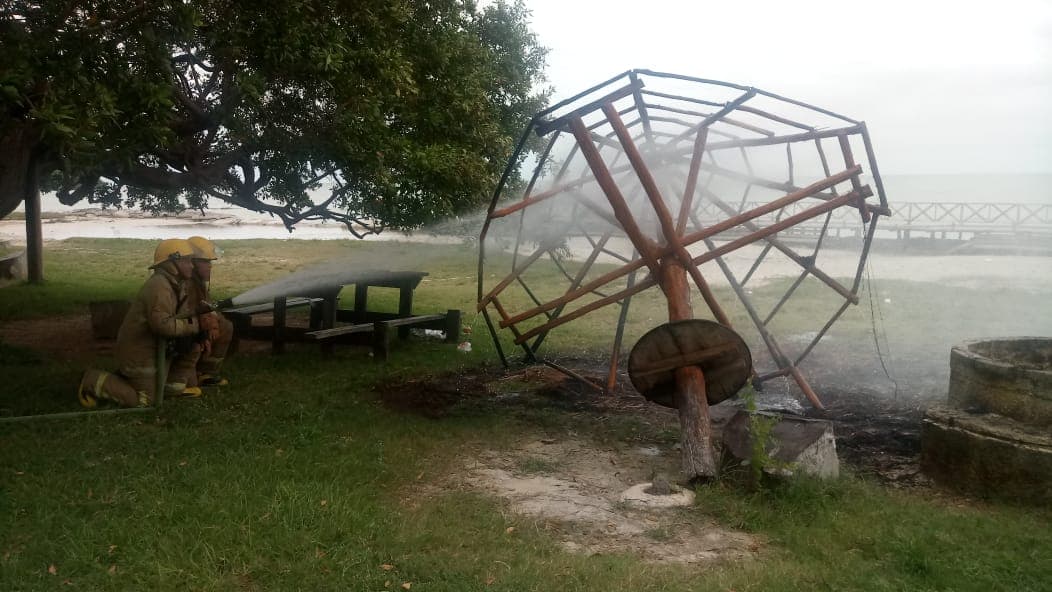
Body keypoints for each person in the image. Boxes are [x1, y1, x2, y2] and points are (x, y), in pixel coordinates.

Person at [77, 239, 218, 408]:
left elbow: (179, 316)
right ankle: (92, 380)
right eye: (187, 261)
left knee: (188, 374)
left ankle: (163, 387)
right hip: (140, 354)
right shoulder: (159, 287)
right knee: (146, 401)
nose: (192, 266)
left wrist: (200, 322)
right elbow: (162, 325)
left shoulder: (174, 284)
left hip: (156, 350)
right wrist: (197, 325)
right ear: (172, 263)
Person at [167, 236, 233, 392]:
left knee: (225, 325)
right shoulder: (185, 284)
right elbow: (184, 314)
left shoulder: (199, 283)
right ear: (193, 264)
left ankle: (206, 372)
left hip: (192, 329)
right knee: (191, 385)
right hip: (182, 333)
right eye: (206, 262)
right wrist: (204, 333)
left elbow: (207, 307)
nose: (210, 267)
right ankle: (190, 372)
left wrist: (215, 322)